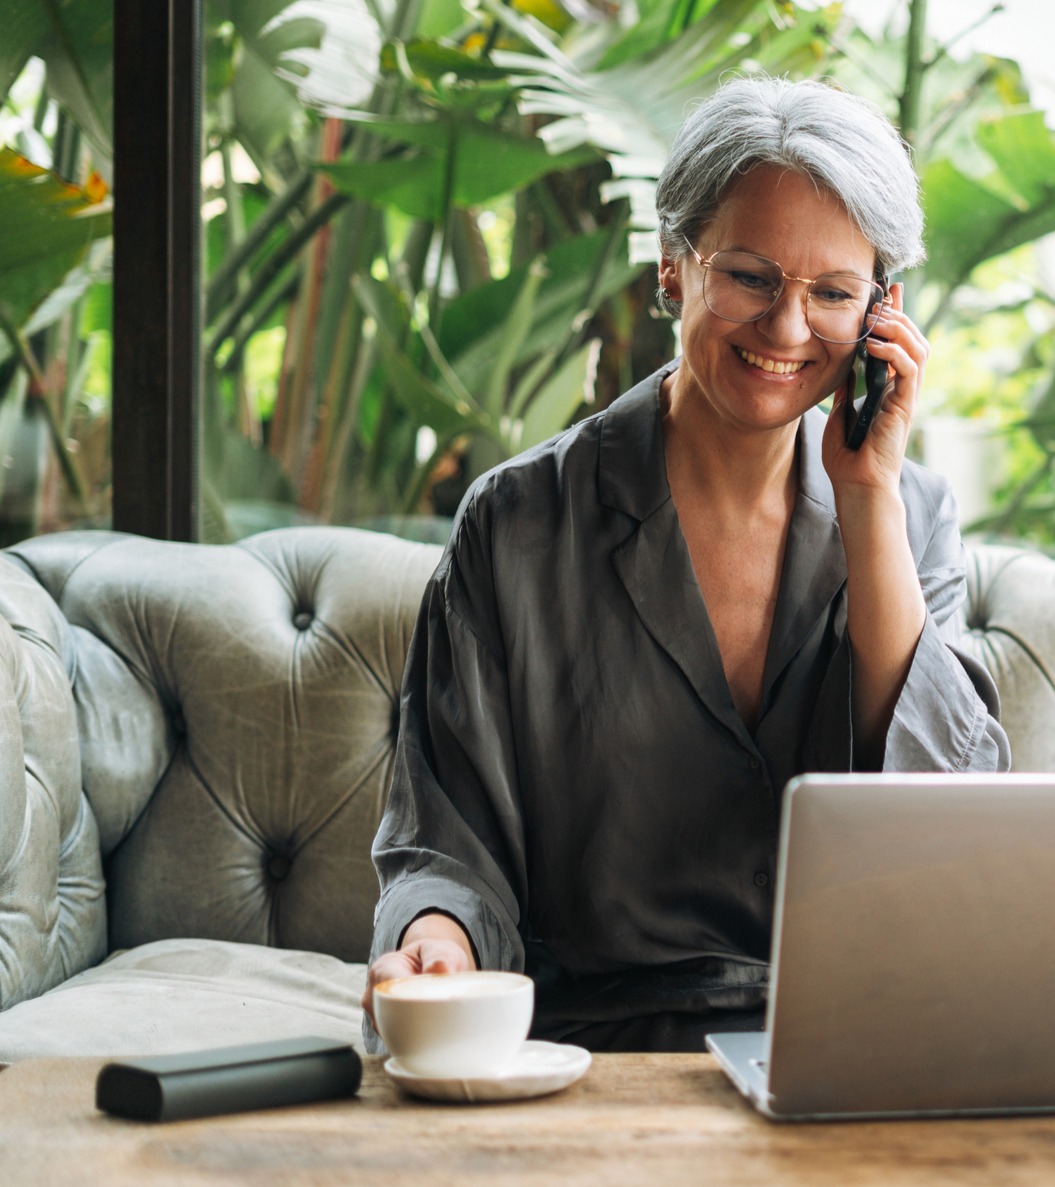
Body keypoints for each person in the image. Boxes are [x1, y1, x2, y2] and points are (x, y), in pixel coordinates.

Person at [360, 76, 1013, 1052]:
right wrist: (435, 939)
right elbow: (445, 842)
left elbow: (953, 826)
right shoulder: (516, 522)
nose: (788, 329)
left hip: (854, 1035)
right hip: (598, 1043)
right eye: (749, 275)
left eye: (832, 292)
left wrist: (869, 496)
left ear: (882, 311)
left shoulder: (907, 513)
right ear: (672, 266)